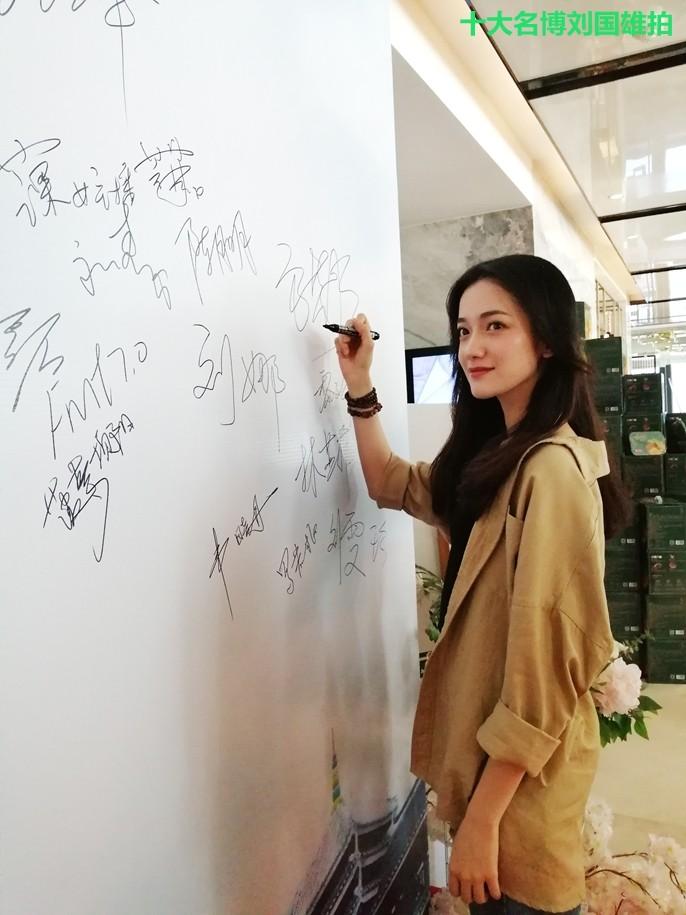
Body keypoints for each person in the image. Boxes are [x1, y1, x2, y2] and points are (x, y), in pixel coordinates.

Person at [334, 254, 631, 915]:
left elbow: (544, 675)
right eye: (464, 330)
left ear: (546, 339)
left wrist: (484, 820)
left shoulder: (550, 471)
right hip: (492, 770)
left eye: (495, 326)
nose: (472, 347)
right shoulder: (496, 456)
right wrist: (360, 385)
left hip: (521, 789)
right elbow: (390, 482)